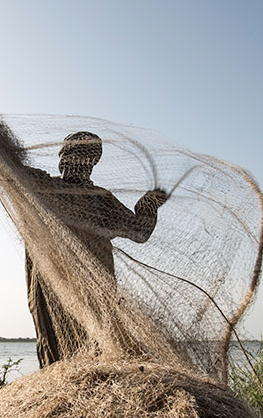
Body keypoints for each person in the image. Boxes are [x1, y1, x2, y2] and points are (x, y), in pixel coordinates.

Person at [23, 131, 168, 366]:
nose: (73, 165)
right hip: (53, 287)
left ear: (92, 164)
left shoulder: (100, 199)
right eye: (69, 157)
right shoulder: (44, 187)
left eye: (83, 160)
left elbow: (139, 231)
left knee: (95, 346)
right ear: (62, 158)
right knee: (58, 348)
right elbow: (0, 164)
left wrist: (148, 206)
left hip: (94, 288)